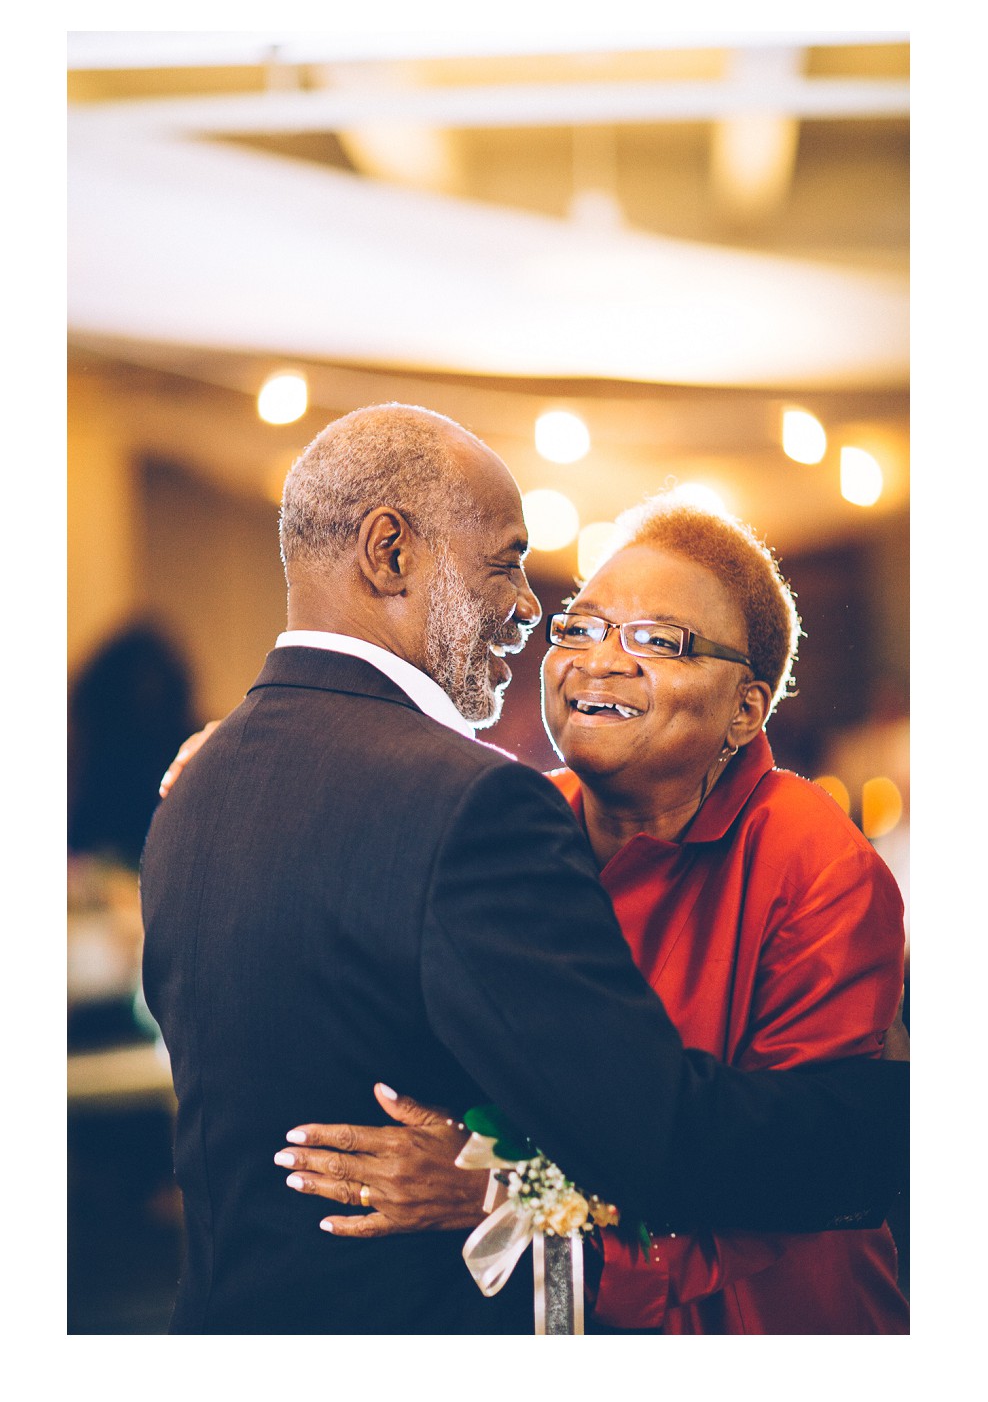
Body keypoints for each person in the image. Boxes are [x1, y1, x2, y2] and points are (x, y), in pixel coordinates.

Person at [140, 404, 906, 1333]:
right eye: (583, 625)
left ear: (748, 711)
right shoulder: (496, 816)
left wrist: (504, 1196)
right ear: (388, 554)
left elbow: (767, 1177)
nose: (584, 653)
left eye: (659, 641)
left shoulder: (817, 863)